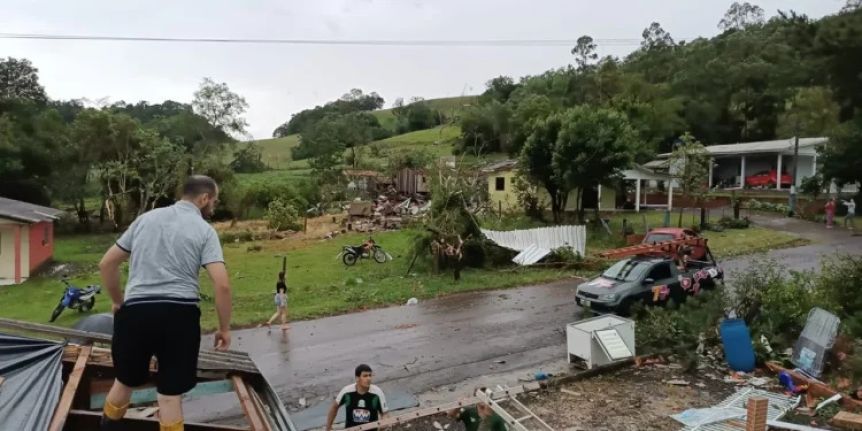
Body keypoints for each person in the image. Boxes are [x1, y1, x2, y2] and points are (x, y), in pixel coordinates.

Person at [98, 175, 232, 431]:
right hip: (179, 317)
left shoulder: (145, 220)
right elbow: (222, 285)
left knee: (124, 382)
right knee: (170, 395)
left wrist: (118, 301)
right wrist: (224, 328)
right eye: (214, 200)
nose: (214, 205)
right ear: (204, 199)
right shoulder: (205, 230)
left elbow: (107, 263)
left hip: (135, 313)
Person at [326, 364, 388, 431]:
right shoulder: (347, 391)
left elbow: (385, 413)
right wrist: (329, 427)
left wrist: (384, 423)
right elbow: (334, 407)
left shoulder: (377, 393)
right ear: (357, 378)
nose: (369, 378)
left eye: (370, 375)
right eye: (365, 376)